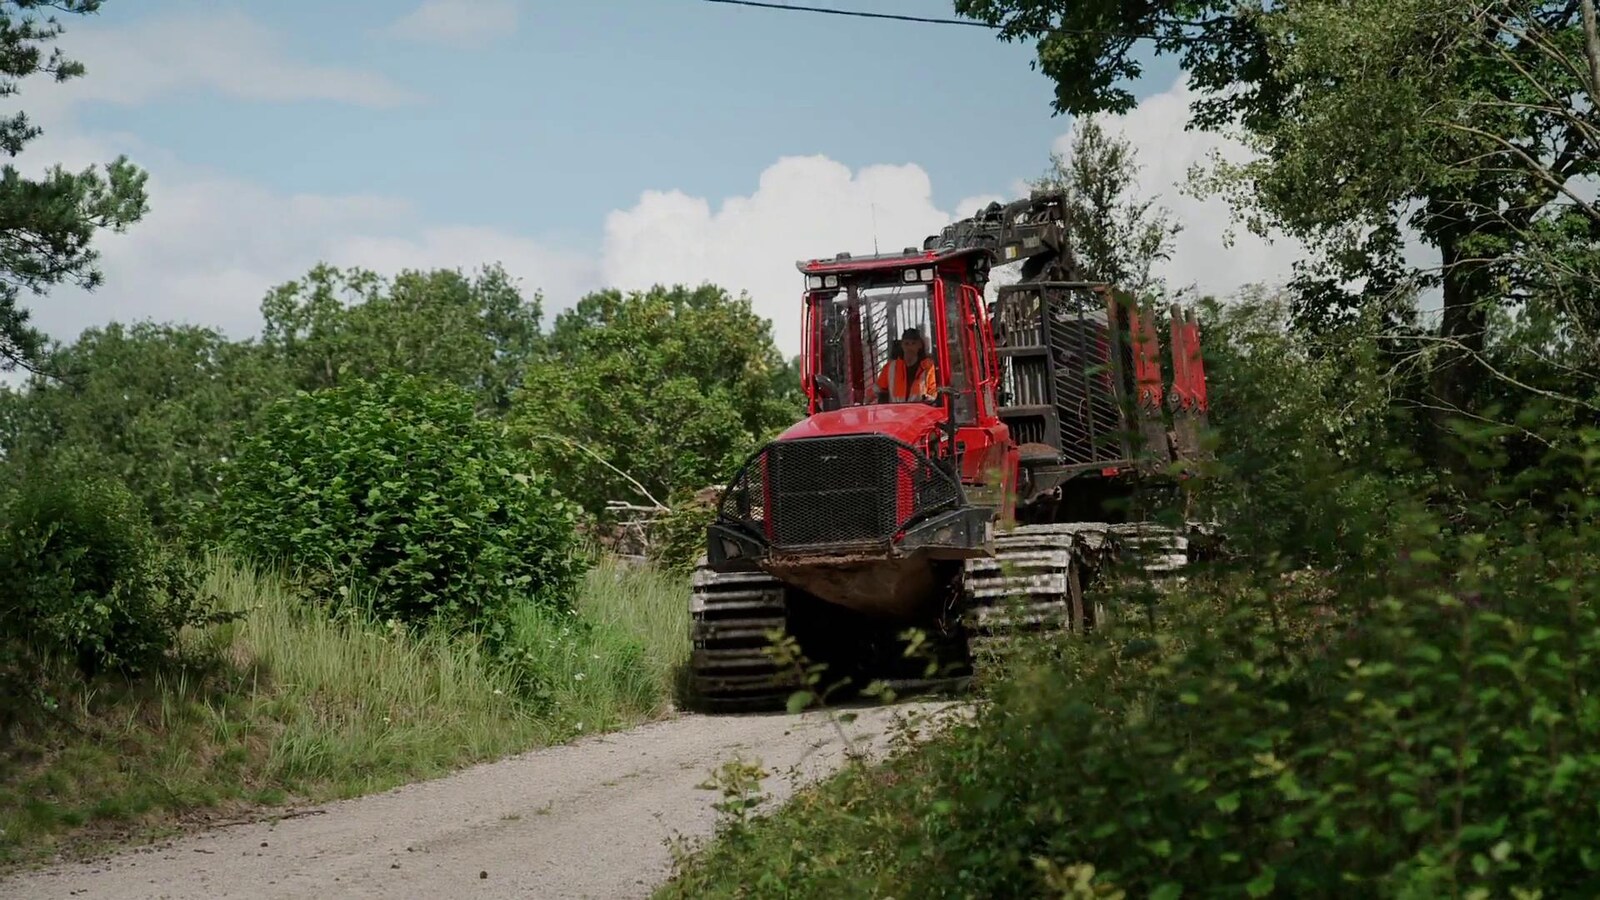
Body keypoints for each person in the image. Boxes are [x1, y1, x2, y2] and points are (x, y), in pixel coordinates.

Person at [876, 327, 938, 402]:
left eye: (913, 343)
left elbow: (933, 393)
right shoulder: (890, 368)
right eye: (906, 343)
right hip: (895, 409)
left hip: (919, 409)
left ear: (920, 345)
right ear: (902, 345)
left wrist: (929, 398)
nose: (909, 347)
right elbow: (877, 390)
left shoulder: (928, 368)